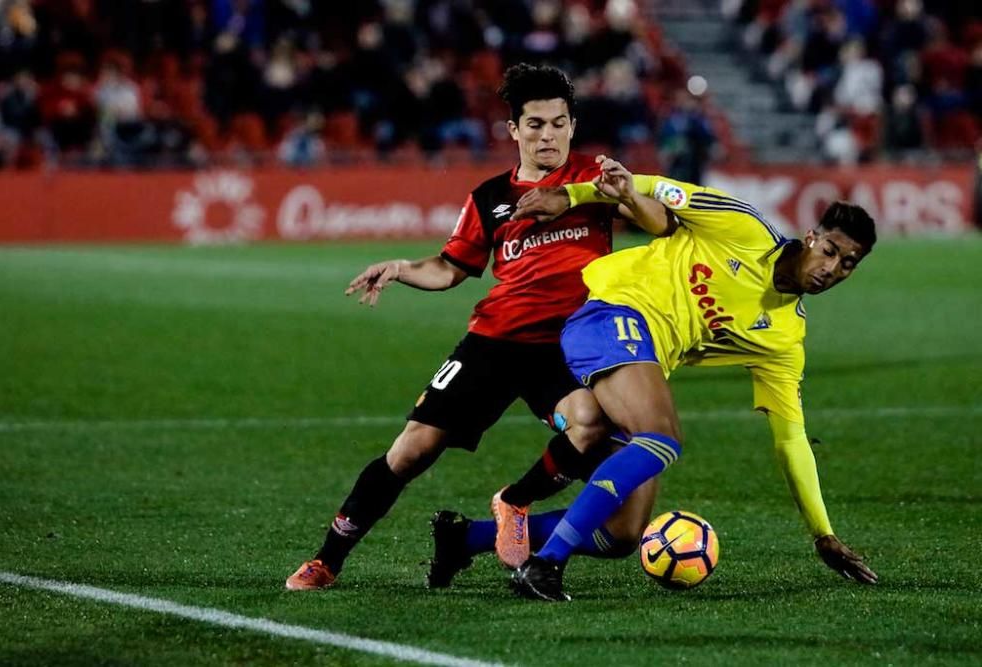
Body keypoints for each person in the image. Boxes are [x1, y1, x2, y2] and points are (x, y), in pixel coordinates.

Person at [285, 64, 650, 591]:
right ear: (513, 131)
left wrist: (632, 197)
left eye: (557, 123)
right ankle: (328, 558)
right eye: (535, 124)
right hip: (494, 342)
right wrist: (403, 269)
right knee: (412, 449)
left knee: (590, 423)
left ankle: (515, 502)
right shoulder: (489, 198)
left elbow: (657, 219)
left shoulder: (595, 180)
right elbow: (452, 268)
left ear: (572, 125)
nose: (547, 135)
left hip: (568, 345)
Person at [499, 157, 880, 601]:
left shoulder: (784, 337)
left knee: (624, 532)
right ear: (811, 237)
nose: (831, 269)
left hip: (640, 358)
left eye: (848, 264)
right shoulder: (743, 227)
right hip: (612, 314)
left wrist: (822, 533)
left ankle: (465, 537)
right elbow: (656, 187)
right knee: (662, 436)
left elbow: (791, 439)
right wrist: (570, 195)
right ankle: (545, 564)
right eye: (830, 251)